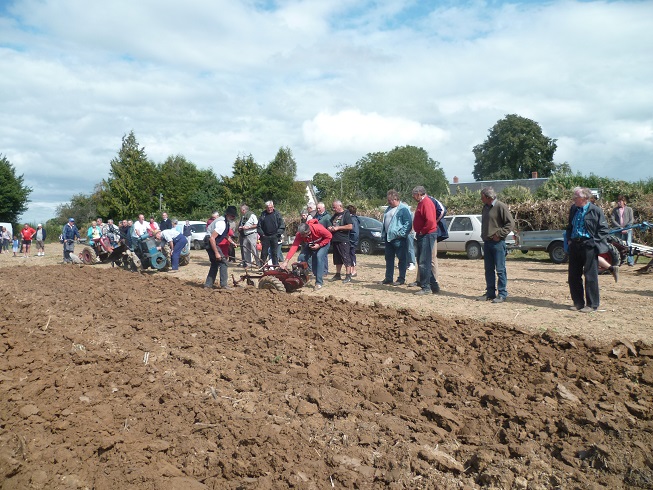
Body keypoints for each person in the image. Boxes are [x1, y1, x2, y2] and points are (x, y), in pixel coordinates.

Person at [566, 187, 611, 312]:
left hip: (589, 246)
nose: (574, 199)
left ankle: (592, 305)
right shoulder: (574, 209)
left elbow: (603, 230)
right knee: (573, 276)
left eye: (576, 197)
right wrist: (569, 239)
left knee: (590, 276)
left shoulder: (595, 211)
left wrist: (593, 242)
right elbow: (569, 226)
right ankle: (578, 303)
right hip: (575, 245)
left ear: (585, 198)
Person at [478, 187, 515, 303]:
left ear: (488, 197)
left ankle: (502, 294)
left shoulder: (500, 206)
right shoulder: (485, 207)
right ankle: (490, 293)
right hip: (487, 242)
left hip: (498, 243)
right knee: (488, 269)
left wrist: (499, 234)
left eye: (482, 197)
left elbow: (510, 223)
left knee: (500, 269)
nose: (481, 199)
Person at [281, 220, 332, 290]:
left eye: (302, 235)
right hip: (312, 243)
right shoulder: (300, 234)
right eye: (300, 234)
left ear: (308, 232)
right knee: (301, 257)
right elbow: (294, 246)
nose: (301, 236)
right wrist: (286, 261)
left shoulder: (318, 229)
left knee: (319, 257)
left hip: (324, 243)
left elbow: (329, 236)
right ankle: (304, 278)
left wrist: (320, 245)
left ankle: (319, 283)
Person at [411, 186, 440, 295]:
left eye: (414, 195)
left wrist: (422, 231)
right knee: (423, 261)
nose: (413, 197)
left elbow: (431, 221)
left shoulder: (426, 203)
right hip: (424, 234)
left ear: (419, 193)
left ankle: (426, 287)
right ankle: (434, 286)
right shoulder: (422, 203)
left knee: (423, 261)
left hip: (427, 235)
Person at [380, 190, 412, 286]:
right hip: (388, 237)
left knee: (402, 259)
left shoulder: (403, 209)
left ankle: (401, 279)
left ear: (395, 199)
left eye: (389, 200)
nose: (388, 202)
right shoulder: (389, 208)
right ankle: (388, 278)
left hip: (398, 239)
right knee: (389, 258)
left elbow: (408, 223)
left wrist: (401, 234)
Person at [205, 206, 238, 290]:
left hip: (212, 241)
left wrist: (232, 242)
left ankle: (208, 285)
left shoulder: (225, 221)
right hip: (210, 242)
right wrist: (216, 253)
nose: (233, 218)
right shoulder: (221, 223)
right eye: (232, 216)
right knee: (223, 262)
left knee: (215, 264)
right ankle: (224, 285)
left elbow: (226, 235)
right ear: (227, 215)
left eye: (234, 216)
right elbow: (212, 238)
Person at [328, 200, 354, 283]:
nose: (333, 209)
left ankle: (348, 275)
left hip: (343, 239)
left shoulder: (346, 214)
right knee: (337, 259)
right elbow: (330, 223)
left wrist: (338, 228)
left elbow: (350, 226)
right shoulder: (335, 215)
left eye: (334, 207)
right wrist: (330, 227)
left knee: (345, 257)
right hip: (335, 239)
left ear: (340, 206)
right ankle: (337, 274)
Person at [257, 201, 285, 266]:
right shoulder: (263, 214)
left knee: (274, 253)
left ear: (273, 207)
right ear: (266, 208)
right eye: (268, 207)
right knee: (264, 253)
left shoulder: (277, 214)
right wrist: (262, 234)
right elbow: (259, 226)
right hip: (265, 236)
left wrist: (278, 234)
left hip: (275, 236)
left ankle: (275, 266)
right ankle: (262, 266)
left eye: (271, 207)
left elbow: (282, 225)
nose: (269, 209)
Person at [611, 195, 635, 266]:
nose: (619, 203)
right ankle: (621, 260)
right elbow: (612, 219)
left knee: (629, 245)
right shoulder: (615, 210)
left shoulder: (629, 209)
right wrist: (619, 227)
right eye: (618, 201)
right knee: (619, 245)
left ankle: (630, 261)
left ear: (624, 202)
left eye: (620, 201)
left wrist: (626, 228)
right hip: (618, 230)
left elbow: (631, 219)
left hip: (628, 230)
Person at [347, 205, 360, 277]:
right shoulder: (353, 219)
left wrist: (352, 241)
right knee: (350, 255)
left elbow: (355, 232)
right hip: (351, 241)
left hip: (352, 241)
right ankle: (351, 270)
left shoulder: (353, 220)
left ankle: (354, 270)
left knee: (352, 255)